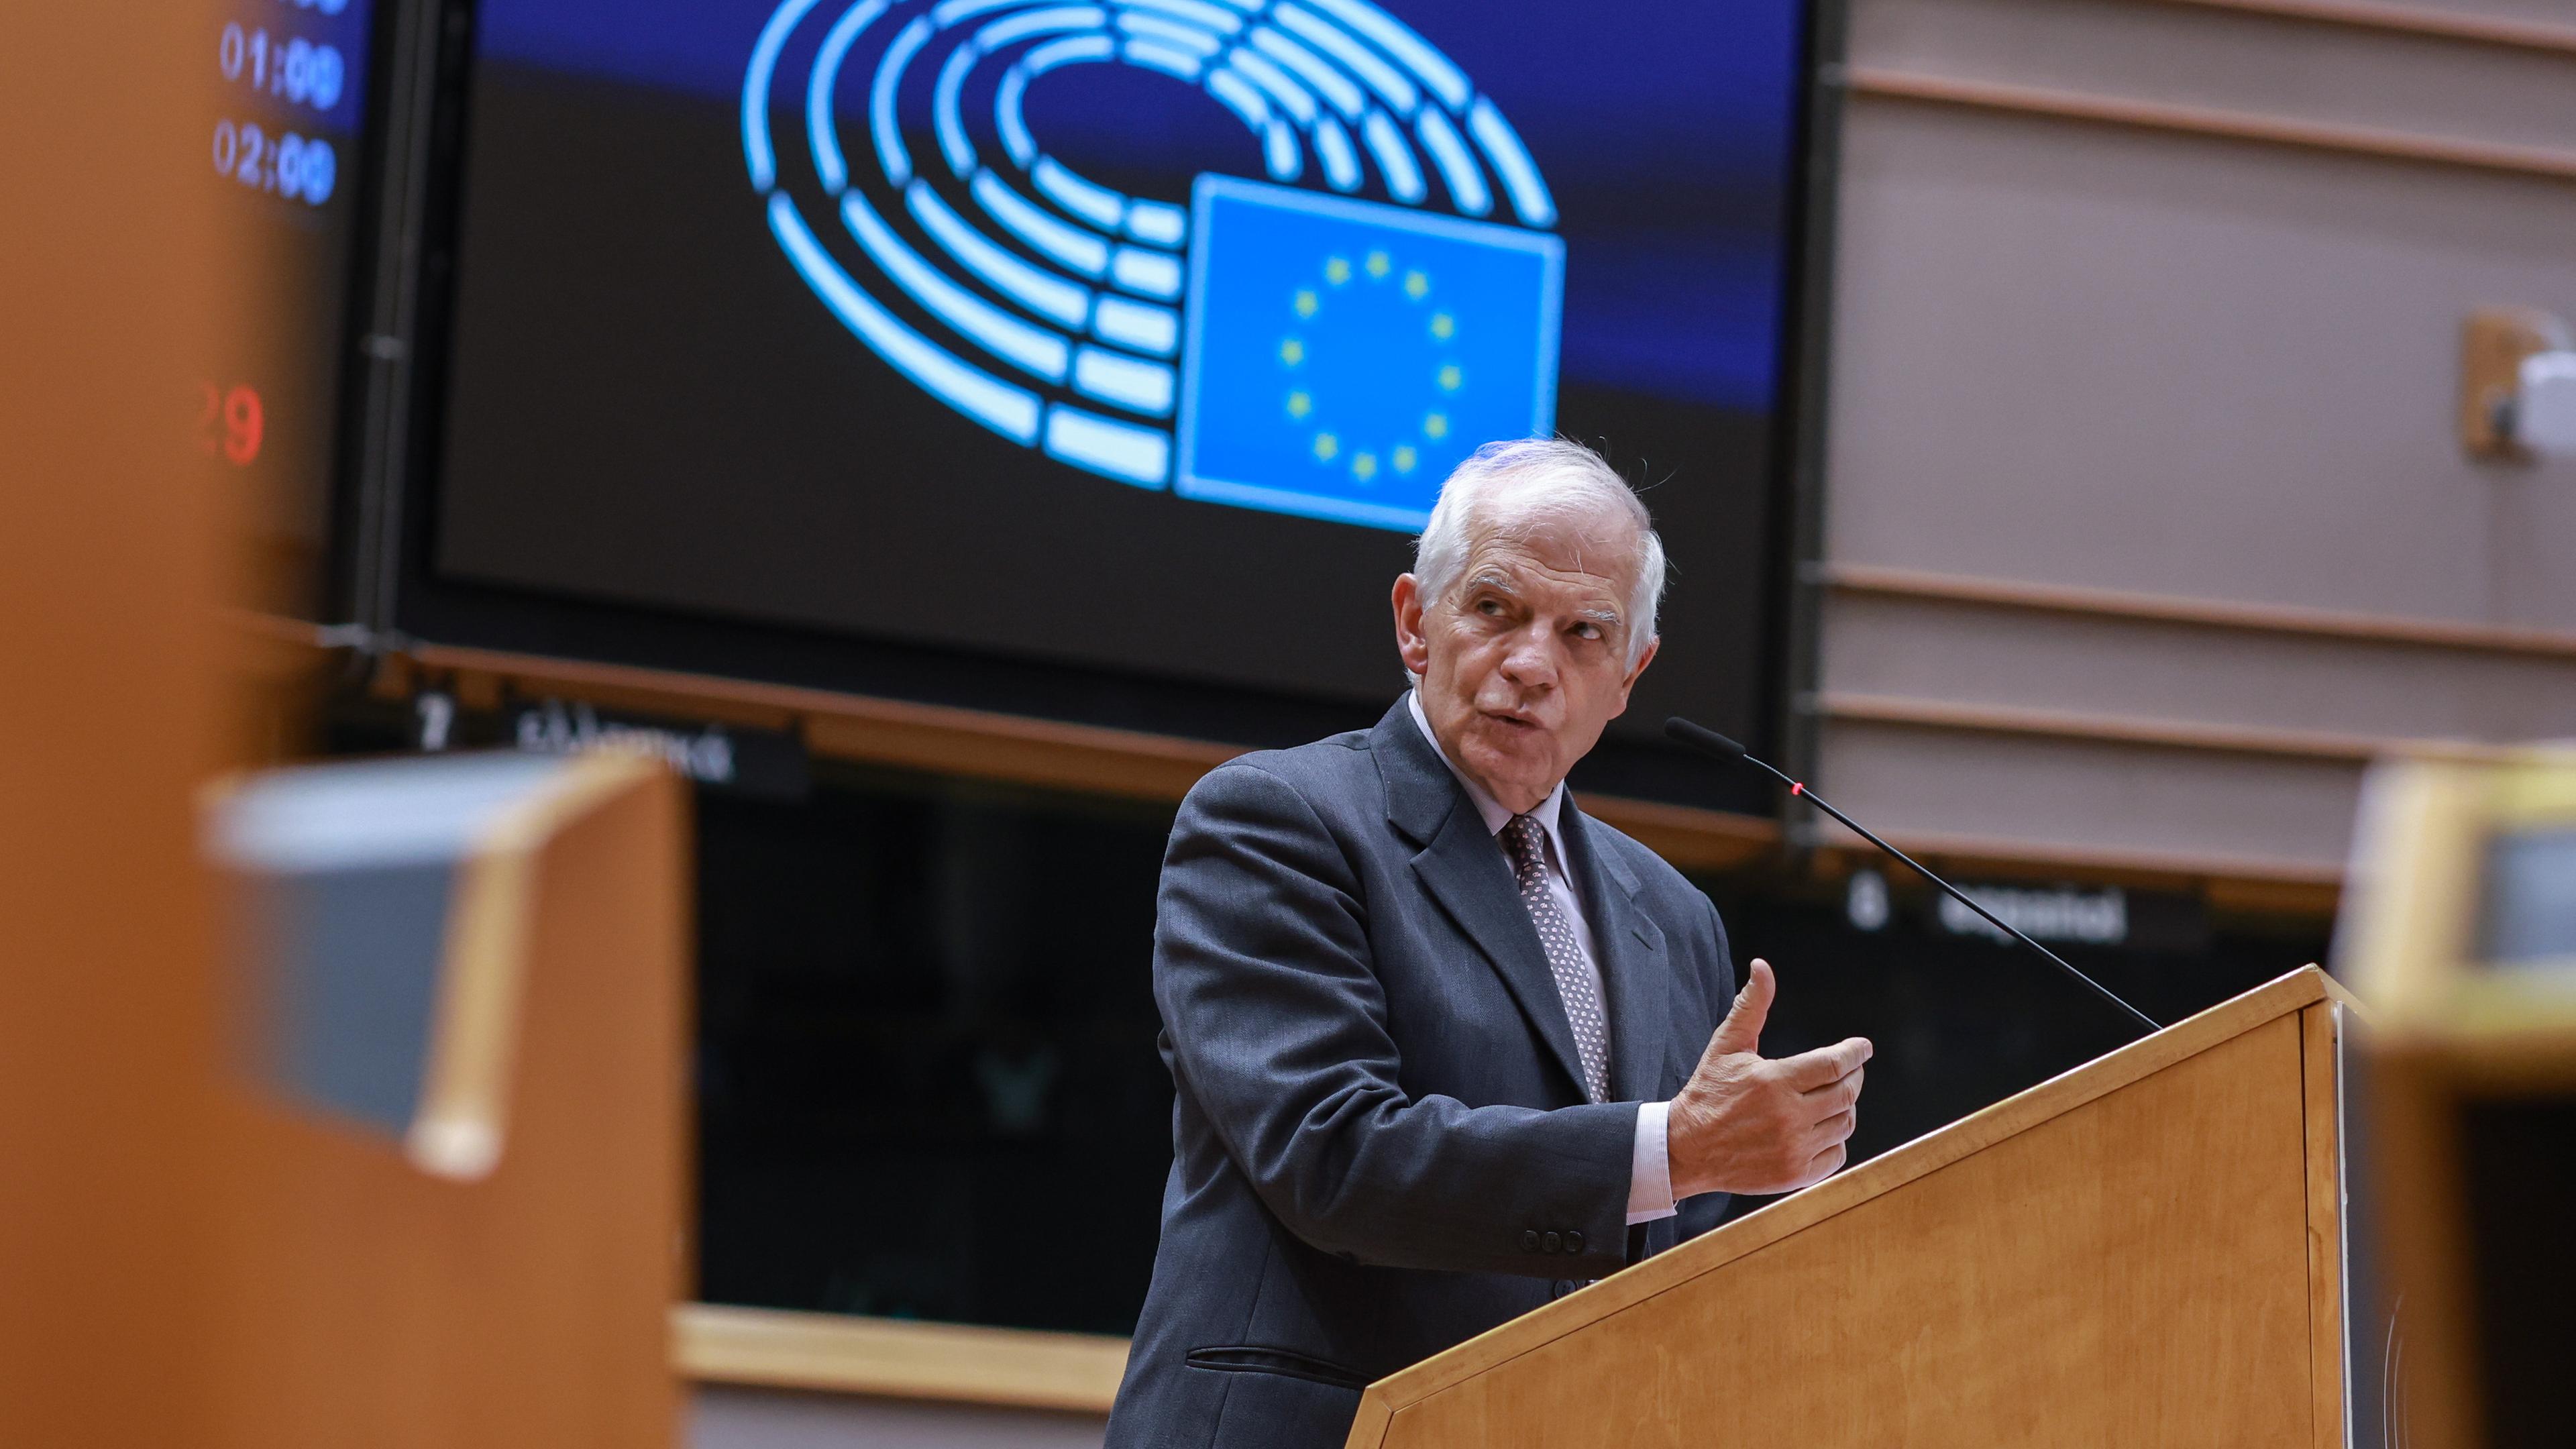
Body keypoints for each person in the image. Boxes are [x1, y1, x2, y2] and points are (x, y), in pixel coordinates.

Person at [1103, 438, 1872, 1449]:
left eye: (1583, 632)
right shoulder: (1275, 823)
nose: (1530, 665)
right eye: (1495, 609)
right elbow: (1335, 1155)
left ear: (1629, 673)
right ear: (1417, 623)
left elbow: (1670, 1260)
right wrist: (1674, 1151)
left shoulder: (1674, 917)